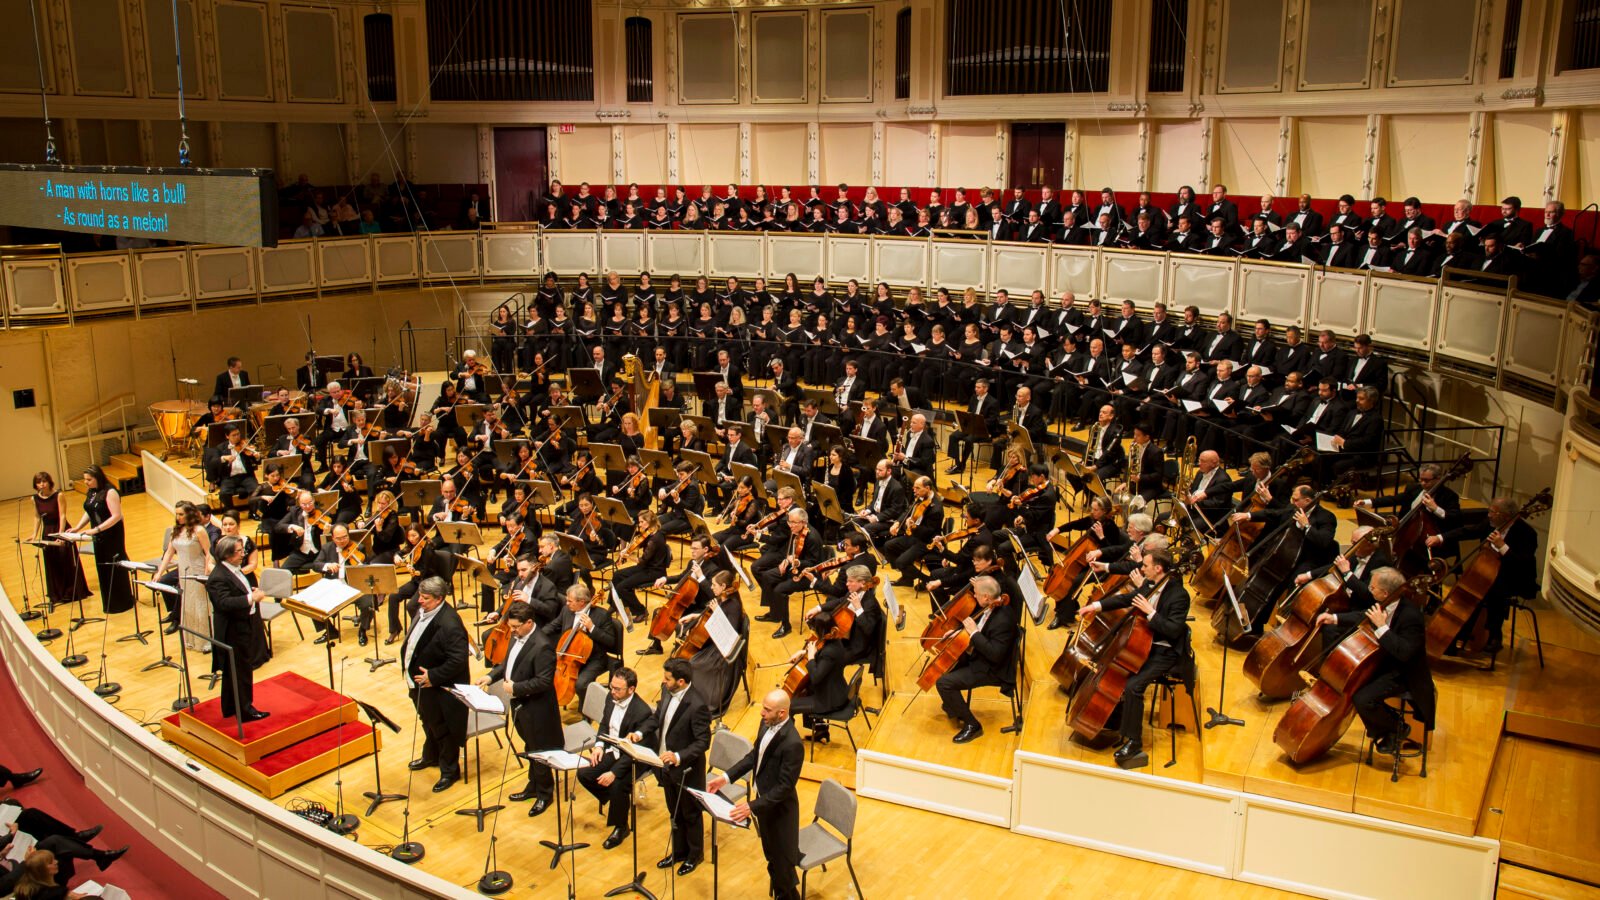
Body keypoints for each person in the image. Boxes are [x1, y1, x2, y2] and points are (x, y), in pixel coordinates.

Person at [1076, 549, 1191, 770]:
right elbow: (1127, 599)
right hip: (1144, 646)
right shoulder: (1150, 584)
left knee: (1133, 686)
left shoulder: (1179, 595)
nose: (1142, 568)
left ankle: (1133, 741)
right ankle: (1116, 719)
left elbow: (1174, 631)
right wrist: (1095, 606)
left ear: (1158, 568)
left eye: (1146, 565)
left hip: (1164, 651)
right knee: (1117, 675)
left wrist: (1150, 613)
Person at [1313, 567, 1434, 753]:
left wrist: (1381, 627)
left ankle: (1396, 728)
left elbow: (1404, 654)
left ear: (1385, 592)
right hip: (1385, 664)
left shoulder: (1412, 617)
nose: (1369, 590)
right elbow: (1363, 615)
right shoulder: (1385, 603)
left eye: (1373, 587)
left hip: (1404, 673)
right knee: (1352, 686)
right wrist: (1334, 618)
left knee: (1362, 698)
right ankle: (1386, 731)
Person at [706, 689, 804, 900]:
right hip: (765, 807)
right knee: (772, 860)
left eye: (767, 710)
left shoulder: (793, 743)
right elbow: (754, 757)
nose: (761, 713)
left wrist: (752, 806)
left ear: (782, 713)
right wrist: (726, 777)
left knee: (784, 868)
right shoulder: (766, 724)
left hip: (780, 813)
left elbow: (785, 787)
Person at [477, 601, 560, 817]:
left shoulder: (542, 646)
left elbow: (544, 682)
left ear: (529, 623)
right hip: (521, 704)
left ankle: (544, 793)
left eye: (515, 627)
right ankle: (532, 786)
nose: (511, 631)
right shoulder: (517, 637)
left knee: (539, 750)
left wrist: (516, 687)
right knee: (530, 746)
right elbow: (508, 663)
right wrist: (491, 675)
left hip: (537, 708)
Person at [1429, 496, 1539, 655]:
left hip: (1515, 578)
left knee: (1492, 590)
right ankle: (1457, 637)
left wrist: (1502, 547)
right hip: (1489, 574)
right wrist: (1441, 538)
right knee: (1477, 589)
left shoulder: (1527, 533)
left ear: (1506, 516)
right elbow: (1468, 531)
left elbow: (1523, 563)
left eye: (1492, 512)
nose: (1489, 515)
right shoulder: (1492, 524)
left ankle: (1494, 635)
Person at [637, 658, 711, 876]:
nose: (663, 681)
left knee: (690, 814)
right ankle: (679, 852)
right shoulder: (667, 691)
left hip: (686, 770)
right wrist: (641, 733)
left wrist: (678, 756)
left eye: (667, 679)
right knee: (674, 812)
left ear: (681, 681)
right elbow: (658, 717)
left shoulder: (697, 705)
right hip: (665, 766)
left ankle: (695, 855)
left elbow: (702, 742)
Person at [401, 576, 470, 792]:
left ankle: (450, 771)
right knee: (428, 721)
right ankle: (430, 756)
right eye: (420, 595)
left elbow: (458, 660)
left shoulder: (450, 624)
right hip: (417, 682)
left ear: (439, 599)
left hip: (438, 687)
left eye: (425, 598)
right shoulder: (423, 609)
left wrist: (434, 676)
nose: (419, 600)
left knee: (443, 729)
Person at [934, 575, 1021, 744]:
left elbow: (995, 654)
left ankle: (972, 725)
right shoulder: (991, 606)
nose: (974, 596)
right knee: (946, 667)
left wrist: (974, 633)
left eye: (976, 593)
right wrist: (956, 633)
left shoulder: (1004, 618)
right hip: (980, 656)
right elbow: (979, 629)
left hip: (992, 669)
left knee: (943, 683)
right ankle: (953, 705)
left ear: (986, 597)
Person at [576, 667, 656, 849]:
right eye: (612, 687)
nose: (612, 691)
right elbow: (605, 723)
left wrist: (613, 772)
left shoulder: (641, 711)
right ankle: (617, 802)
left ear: (631, 689)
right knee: (585, 774)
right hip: (614, 749)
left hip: (635, 756)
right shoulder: (611, 698)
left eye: (617, 689)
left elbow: (637, 748)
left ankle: (621, 827)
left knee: (619, 784)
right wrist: (598, 746)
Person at [206, 535, 269, 721]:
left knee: (235, 670)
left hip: (242, 624)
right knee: (240, 671)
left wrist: (251, 592)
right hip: (233, 630)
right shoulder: (217, 577)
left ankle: (230, 707)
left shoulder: (233, 569)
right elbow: (224, 603)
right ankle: (245, 710)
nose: (243, 554)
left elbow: (239, 590)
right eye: (239, 551)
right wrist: (251, 598)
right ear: (227, 555)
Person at [65, 467, 134, 615]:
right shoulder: (92, 492)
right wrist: (77, 527)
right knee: (102, 567)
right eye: (85, 479)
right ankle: (109, 603)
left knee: (114, 567)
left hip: (111, 535)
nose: (86, 482)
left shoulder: (110, 492)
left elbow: (116, 516)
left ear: (98, 477)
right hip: (99, 535)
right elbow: (90, 511)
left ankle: (123, 602)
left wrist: (96, 530)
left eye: (89, 479)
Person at [29, 473, 89, 608]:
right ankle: (57, 592)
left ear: (49, 482)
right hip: (47, 531)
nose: (42, 484)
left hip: (60, 528)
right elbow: (37, 517)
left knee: (65, 560)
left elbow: (62, 515)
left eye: (44, 481)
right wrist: (34, 535)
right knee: (52, 562)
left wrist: (60, 535)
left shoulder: (59, 495)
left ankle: (70, 592)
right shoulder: (34, 499)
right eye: (39, 482)